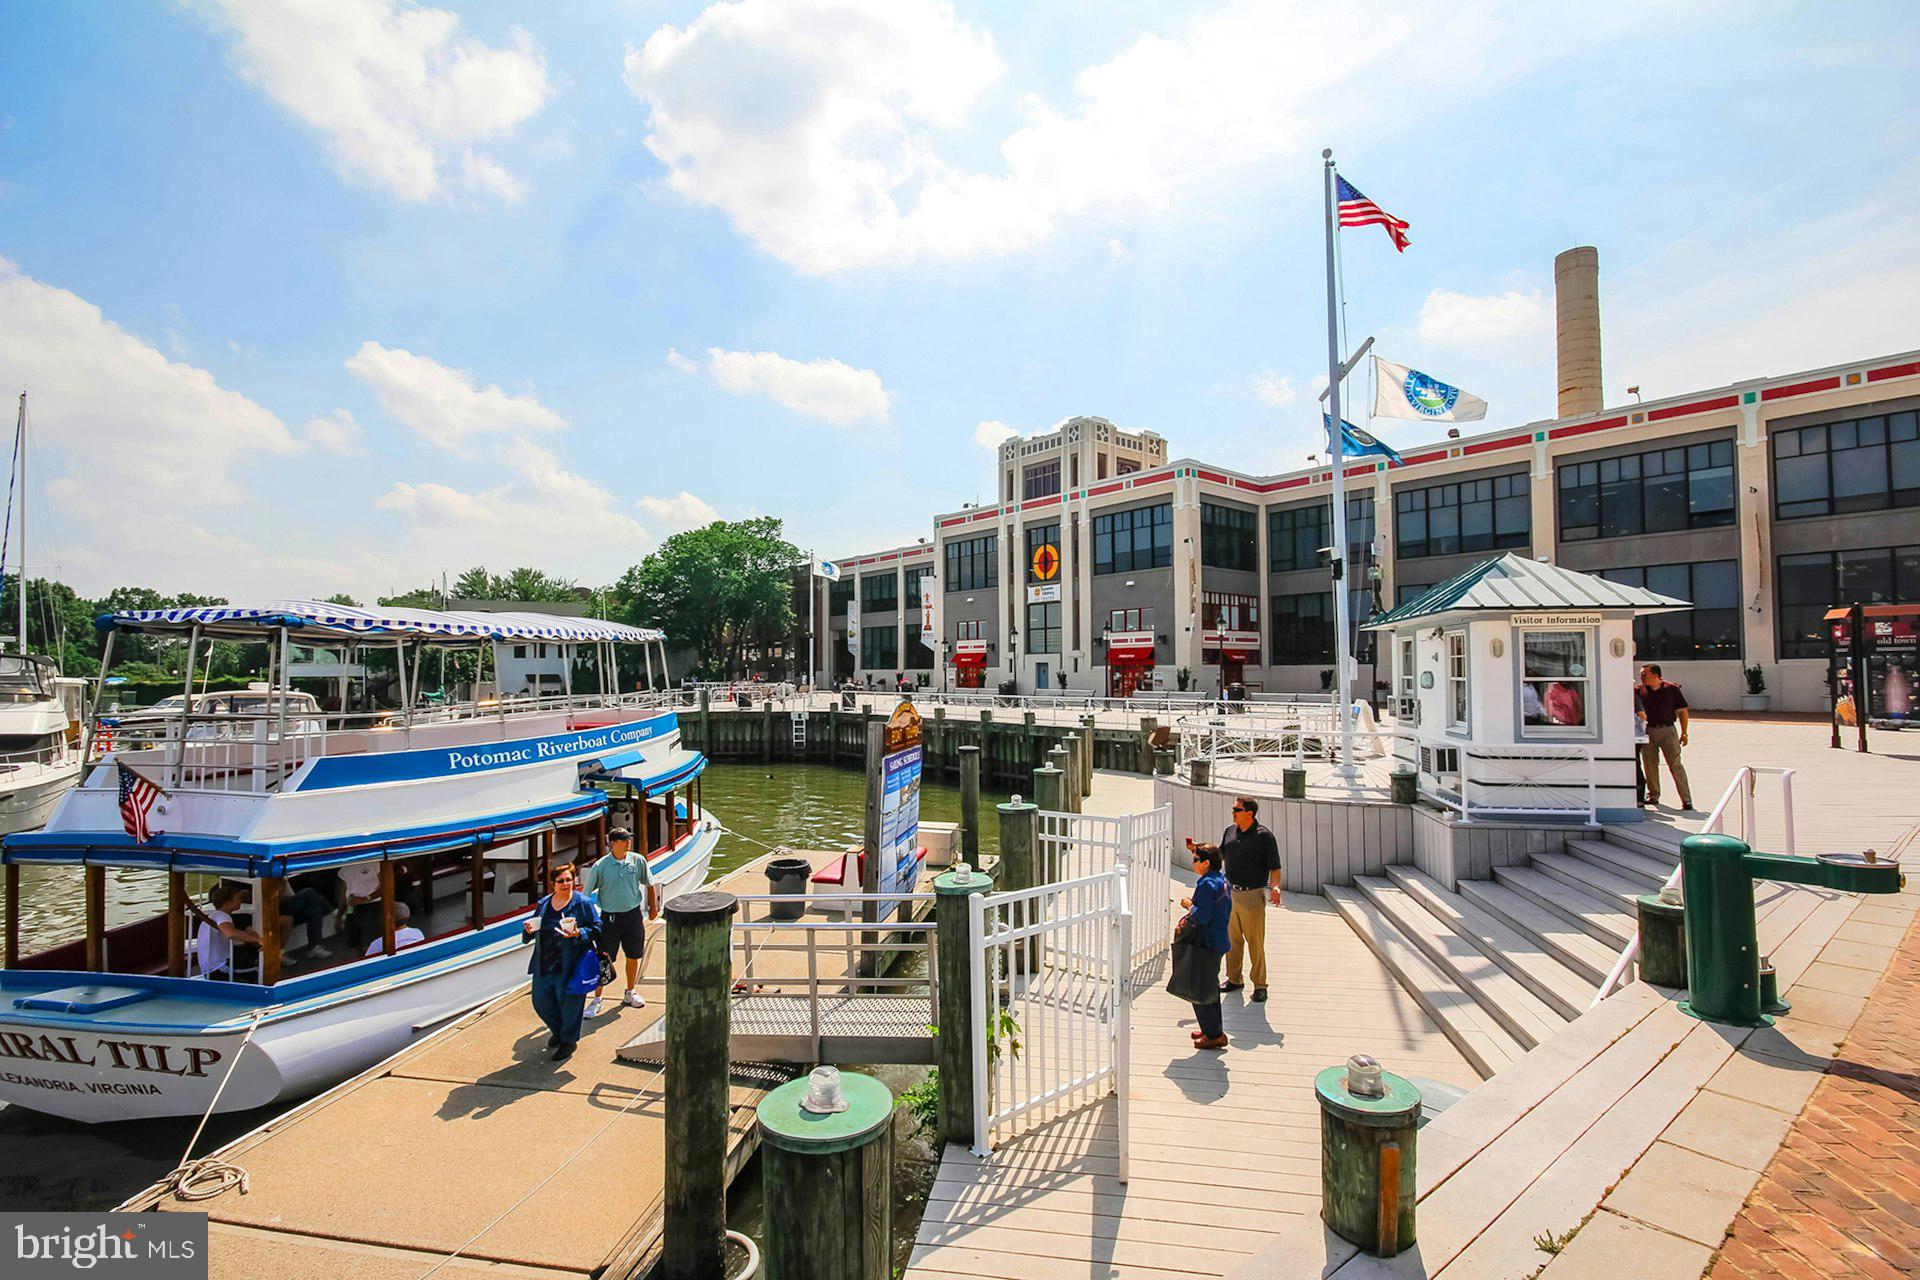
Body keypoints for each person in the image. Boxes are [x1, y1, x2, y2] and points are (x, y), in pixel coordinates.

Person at [1189, 796, 1282, 1002]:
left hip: (1252, 895)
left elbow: (1275, 866)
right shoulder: (1230, 831)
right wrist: (1199, 850)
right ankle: (1234, 979)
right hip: (1230, 893)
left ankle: (1260, 985)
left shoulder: (1264, 836)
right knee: (1232, 940)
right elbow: (1220, 855)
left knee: (1255, 943)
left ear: (1249, 813)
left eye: (1237, 809)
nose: (1233, 812)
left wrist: (1275, 887)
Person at [522, 865, 601, 1062]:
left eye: (569, 880)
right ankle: (558, 1031)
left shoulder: (582, 903)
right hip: (545, 962)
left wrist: (579, 933)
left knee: (571, 1005)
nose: (566, 884)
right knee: (541, 1002)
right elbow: (534, 927)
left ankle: (568, 1041)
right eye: (561, 881)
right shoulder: (544, 904)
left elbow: (598, 928)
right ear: (553, 884)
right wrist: (528, 931)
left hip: (571, 964)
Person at [583, 827, 659, 1016]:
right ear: (613, 844)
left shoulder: (637, 860)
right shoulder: (600, 866)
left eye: (628, 839)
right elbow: (586, 894)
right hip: (609, 919)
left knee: (633, 955)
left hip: (633, 916)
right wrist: (587, 918)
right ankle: (597, 999)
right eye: (624, 840)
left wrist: (653, 906)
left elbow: (649, 883)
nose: (628, 843)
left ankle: (630, 992)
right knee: (604, 959)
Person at [1178, 847, 1232, 1050]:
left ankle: (1215, 1034)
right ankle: (1211, 1028)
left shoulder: (1207, 884)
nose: (1193, 863)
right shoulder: (1221, 880)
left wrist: (1188, 905)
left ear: (1206, 863)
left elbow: (1202, 916)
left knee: (1200, 987)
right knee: (1210, 986)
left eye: (1196, 859)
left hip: (1206, 943)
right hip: (1217, 940)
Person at [1637, 664, 1694, 811]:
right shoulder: (1639, 690)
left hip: (1668, 730)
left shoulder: (1672, 689)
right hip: (1648, 730)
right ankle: (1653, 795)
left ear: (1655, 675)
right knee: (1649, 764)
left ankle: (1686, 800)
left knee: (1675, 764)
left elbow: (1682, 711)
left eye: (1644, 674)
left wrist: (1684, 732)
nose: (1641, 677)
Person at [195, 882, 262, 981]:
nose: (241, 900)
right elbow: (230, 933)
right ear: (228, 903)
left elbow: (235, 940)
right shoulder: (222, 916)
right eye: (238, 898)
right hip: (219, 969)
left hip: (209, 969)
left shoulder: (213, 916)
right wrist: (259, 940)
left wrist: (248, 938)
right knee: (260, 966)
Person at [337, 859, 383, 950]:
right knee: (355, 945)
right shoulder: (344, 867)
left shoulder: (374, 862)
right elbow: (343, 893)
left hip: (373, 906)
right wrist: (339, 916)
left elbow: (387, 885)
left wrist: (365, 898)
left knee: (372, 945)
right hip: (352, 908)